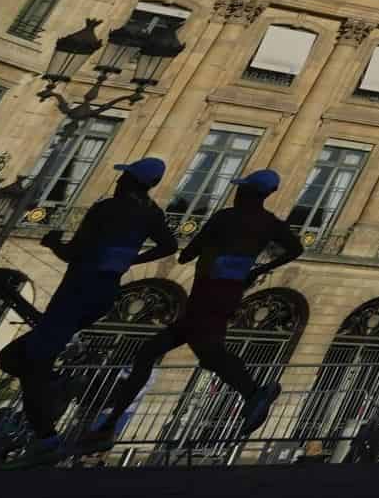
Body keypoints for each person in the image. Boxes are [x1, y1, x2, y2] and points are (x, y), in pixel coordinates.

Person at [86, 167, 300, 449]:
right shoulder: (269, 223)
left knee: (207, 354)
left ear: (246, 191)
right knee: (154, 352)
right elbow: (295, 248)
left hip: (207, 292)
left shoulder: (226, 217)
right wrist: (260, 268)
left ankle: (254, 392)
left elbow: (189, 253)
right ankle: (110, 423)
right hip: (228, 292)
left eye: (240, 189)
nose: (236, 193)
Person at [0, 156, 176, 462]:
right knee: (20, 359)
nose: (118, 181)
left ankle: (46, 436)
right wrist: (130, 260)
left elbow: (74, 252)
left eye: (124, 177)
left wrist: (53, 243)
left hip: (76, 291)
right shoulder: (151, 213)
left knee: (26, 363)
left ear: (130, 181)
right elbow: (169, 246)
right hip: (103, 295)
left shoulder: (107, 209)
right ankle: (51, 398)